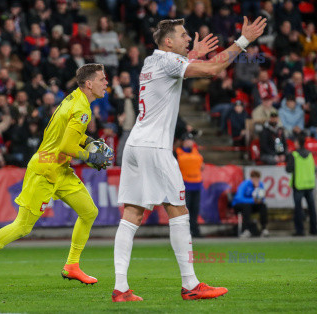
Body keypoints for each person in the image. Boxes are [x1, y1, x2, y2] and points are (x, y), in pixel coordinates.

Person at [113, 16, 266, 302]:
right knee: (179, 213)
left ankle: (120, 288)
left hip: (135, 145)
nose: (188, 38)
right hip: (156, 148)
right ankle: (191, 284)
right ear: (168, 42)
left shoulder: (150, 61)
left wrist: (191, 54)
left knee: (131, 216)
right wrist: (243, 41)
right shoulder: (168, 62)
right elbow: (213, 70)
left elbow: (177, 68)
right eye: (183, 35)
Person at [0, 64, 112, 290]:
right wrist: (91, 156)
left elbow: (65, 134)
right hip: (45, 170)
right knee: (22, 227)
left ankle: (72, 265)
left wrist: (88, 141)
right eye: (102, 79)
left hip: (60, 169)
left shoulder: (75, 100)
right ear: (89, 84)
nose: (106, 83)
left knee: (89, 212)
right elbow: (68, 145)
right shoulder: (82, 109)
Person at [286, 134, 317, 236]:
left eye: (295, 142)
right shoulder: (309, 154)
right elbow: (314, 169)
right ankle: (314, 229)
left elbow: (288, 169)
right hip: (309, 184)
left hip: (298, 185)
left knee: (298, 209)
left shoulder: (294, 155)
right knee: (312, 208)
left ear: (298, 143)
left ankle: (300, 230)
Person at [175, 133, 204, 238]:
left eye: (191, 140)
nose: (191, 142)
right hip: (184, 185)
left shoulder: (196, 152)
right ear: (183, 142)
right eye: (188, 140)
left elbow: (202, 166)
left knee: (195, 209)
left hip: (197, 184)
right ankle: (184, 231)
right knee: (185, 210)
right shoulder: (177, 152)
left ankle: (195, 230)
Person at [232, 170, 268, 238]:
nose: (256, 180)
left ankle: (264, 229)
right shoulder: (245, 184)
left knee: (263, 206)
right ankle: (246, 230)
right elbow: (239, 198)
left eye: (257, 178)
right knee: (246, 206)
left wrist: (257, 188)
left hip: (251, 205)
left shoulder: (260, 185)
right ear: (251, 178)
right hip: (238, 205)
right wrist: (252, 200)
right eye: (254, 178)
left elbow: (262, 199)